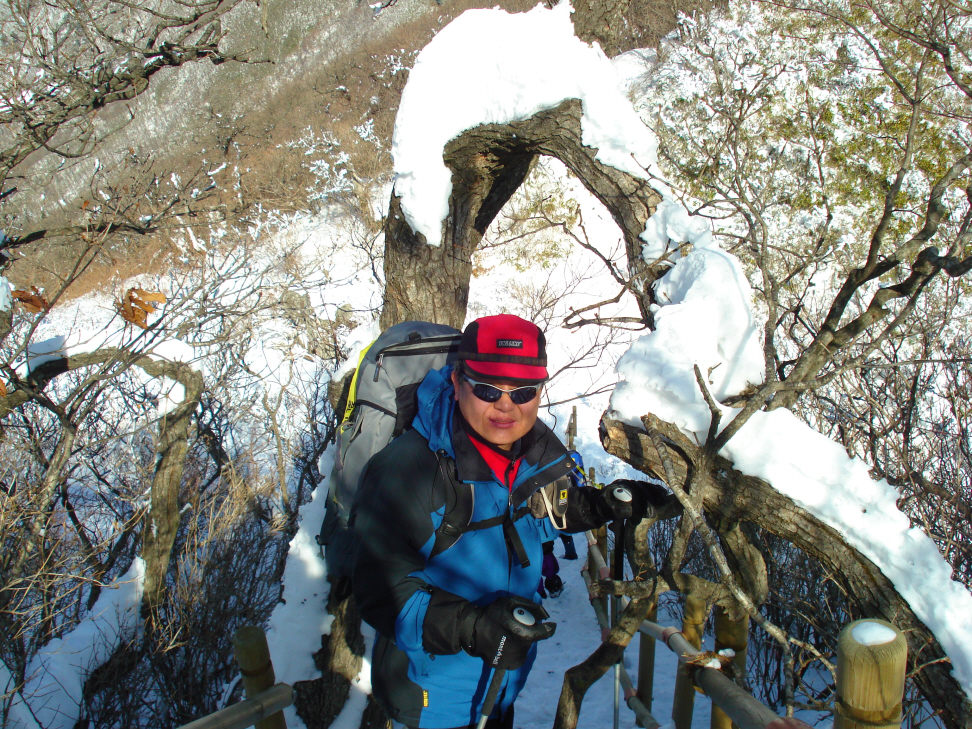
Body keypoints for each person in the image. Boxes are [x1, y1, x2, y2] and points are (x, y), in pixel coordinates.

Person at [349, 314, 666, 729]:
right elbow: (379, 589)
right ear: (458, 382)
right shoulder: (408, 469)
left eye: (523, 392)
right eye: (486, 389)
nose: (505, 405)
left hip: (502, 680)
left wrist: (602, 506)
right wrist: (474, 627)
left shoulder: (530, 453)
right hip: (433, 702)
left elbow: (537, 516)